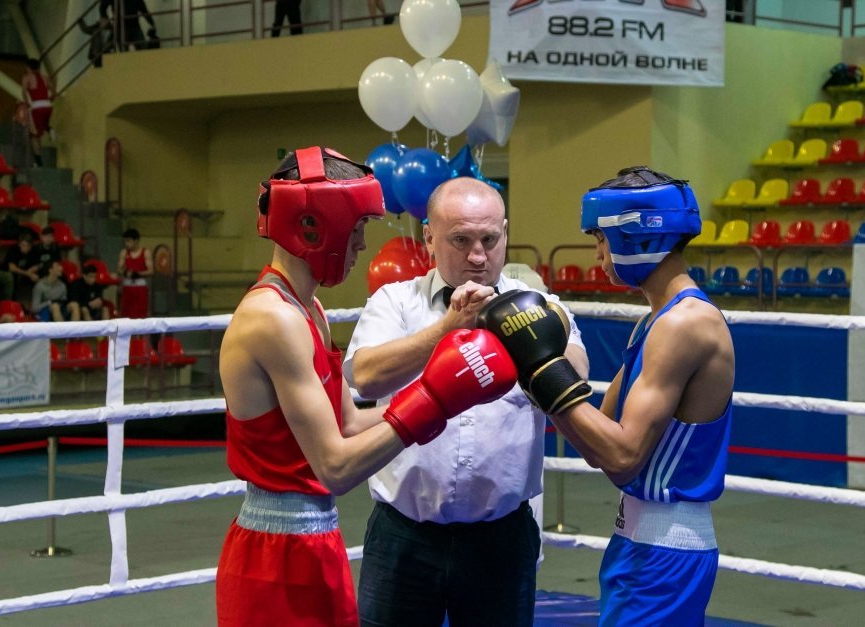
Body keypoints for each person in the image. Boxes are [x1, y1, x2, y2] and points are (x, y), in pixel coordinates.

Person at [215, 147, 518, 626]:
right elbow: (335, 466)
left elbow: (351, 422)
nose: (359, 247)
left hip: (318, 538)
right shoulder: (273, 318)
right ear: (316, 226)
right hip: (275, 552)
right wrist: (433, 400)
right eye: (355, 230)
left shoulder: (306, 309)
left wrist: (459, 398)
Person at [477, 166, 735, 625]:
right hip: (639, 541)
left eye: (600, 238)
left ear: (635, 235)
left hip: (664, 546)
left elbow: (621, 457)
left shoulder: (683, 324)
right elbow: (599, 438)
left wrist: (542, 368)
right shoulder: (654, 321)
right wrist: (536, 372)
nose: (597, 253)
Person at [343, 176, 589, 627]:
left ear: (505, 234)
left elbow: (575, 374)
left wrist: (526, 337)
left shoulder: (539, 307)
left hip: (501, 537)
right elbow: (364, 376)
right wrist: (446, 330)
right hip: (403, 533)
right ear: (429, 239)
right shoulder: (396, 302)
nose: (478, 255)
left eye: (489, 239)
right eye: (461, 240)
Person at [20, 58, 55, 167]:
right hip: (48, 106)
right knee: (41, 127)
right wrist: (50, 100)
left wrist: (26, 104)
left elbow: (24, 92)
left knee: (34, 135)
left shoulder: (27, 77)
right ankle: (49, 129)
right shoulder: (45, 77)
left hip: (37, 106)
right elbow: (54, 91)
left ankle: (38, 161)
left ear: (28, 67)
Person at [117, 227, 152, 318]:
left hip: (140, 289)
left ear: (136, 241)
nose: (126, 244)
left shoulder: (145, 253)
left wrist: (138, 274)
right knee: (126, 315)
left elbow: (151, 271)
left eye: (128, 241)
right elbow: (119, 269)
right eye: (125, 241)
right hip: (127, 288)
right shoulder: (124, 253)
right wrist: (124, 272)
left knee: (140, 316)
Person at [4, 231, 41, 308]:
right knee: (11, 277)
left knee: (38, 276)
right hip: (10, 272)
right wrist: (28, 274)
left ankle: (35, 304)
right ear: (19, 244)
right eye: (23, 245)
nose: (25, 248)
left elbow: (38, 264)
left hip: (25, 272)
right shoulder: (13, 249)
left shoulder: (34, 250)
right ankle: (12, 304)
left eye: (28, 246)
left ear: (31, 245)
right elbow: (12, 268)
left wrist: (33, 270)